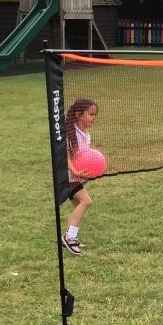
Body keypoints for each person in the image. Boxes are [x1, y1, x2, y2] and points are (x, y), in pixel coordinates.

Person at [62, 98, 98, 255]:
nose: (94, 118)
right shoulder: (71, 134)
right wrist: (74, 171)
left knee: (78, 207)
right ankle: (69, 238)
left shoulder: (86, 134)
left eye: (95, 115)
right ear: (78, 114)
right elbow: (66, 156)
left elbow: (84, 157)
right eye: (91, 114)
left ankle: (70, 237)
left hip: (76, 177)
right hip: (68, 177)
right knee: (86, 202)